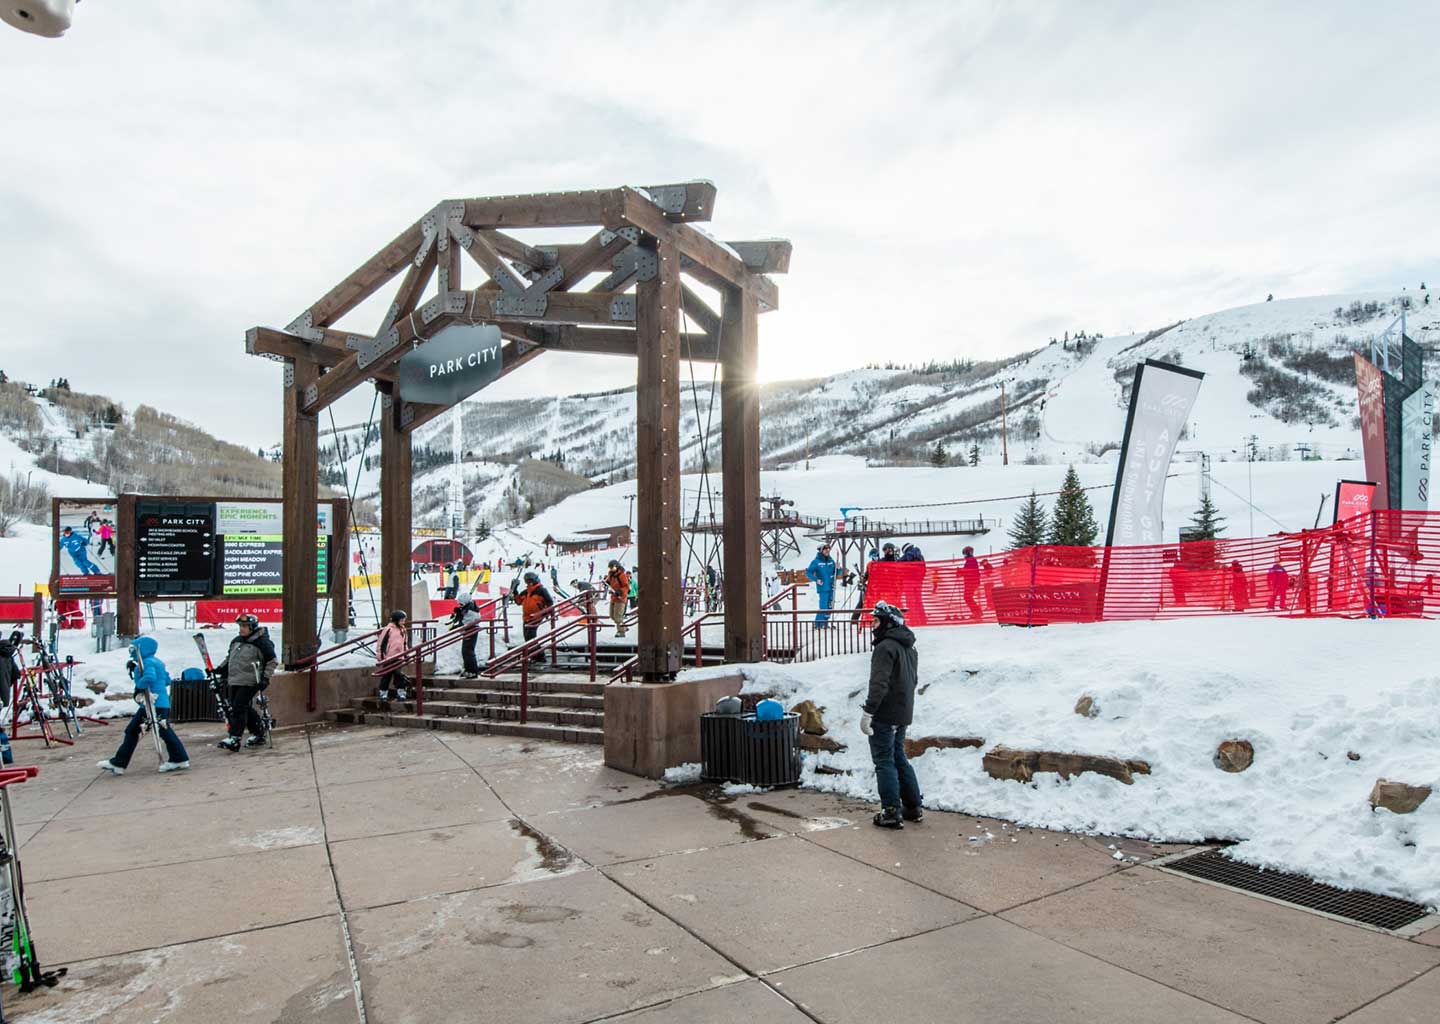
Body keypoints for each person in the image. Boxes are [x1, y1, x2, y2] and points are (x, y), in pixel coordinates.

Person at [859, 601, 921, 828]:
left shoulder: (885, 647)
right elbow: (913, 680)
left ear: (887, 623)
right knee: (898, 757)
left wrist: (868, 712)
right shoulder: (908, 647)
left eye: (876, 621)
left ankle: (891, 811)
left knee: (884, 760)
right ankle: (913, 807)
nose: (872, 625)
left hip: (884, 714)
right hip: (903, 711)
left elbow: (879, 684)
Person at [97, 636, 189, 774]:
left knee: (137, 731)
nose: (131, 651)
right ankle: (179, 758)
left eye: (133, 648)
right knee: (159, 731)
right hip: (160, 703)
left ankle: (120, 762)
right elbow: (167, 680)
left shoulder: (147, 662)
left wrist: (140, 685)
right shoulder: (157, 662)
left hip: (152, 703)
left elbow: (149, 678)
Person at [213, 614, 278, 751]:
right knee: (242, 707)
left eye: (244, 626)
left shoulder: (262, 642)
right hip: (235, 679)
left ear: (252, 627)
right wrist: (219, 669)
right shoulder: (236, 641)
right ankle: (259, 732)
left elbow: (272, 661)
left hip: (251, 681)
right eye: (240, 626)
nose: (241, 629)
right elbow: (230, 658)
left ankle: (235, 737)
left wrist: (265, 678)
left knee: (238, 707)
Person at [511, 571, 554, 662]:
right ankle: (535, 656)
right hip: (526, 617)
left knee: (530, 637)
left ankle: (540, 656)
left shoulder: (541, 590)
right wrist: (515, 590)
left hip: (536, 616)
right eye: (527, 581)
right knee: (528, 638)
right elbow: (519, 601)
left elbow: (550, 602)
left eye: (530, 580)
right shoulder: (527, 592)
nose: (529, 582)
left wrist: (544, 613)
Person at [377, 610, 410, 701]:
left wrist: (406, 654)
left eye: (404, 619)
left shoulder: (403, 629)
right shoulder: (388, 629)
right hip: (388, 656)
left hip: (399, 656)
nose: (403, 621)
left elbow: (404, 643)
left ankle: (401, 692)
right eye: (402, 620)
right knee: (386, 675)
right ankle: (383, 693)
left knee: (398, 674)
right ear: (396, 620)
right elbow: (380, 643)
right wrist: (380, 656)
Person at [449, 592, 483, 678]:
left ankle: (472, 671)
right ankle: (468, 669)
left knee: (468, 651)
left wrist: (456, 626)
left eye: (461, 604)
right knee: (466, 651)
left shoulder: (471, 611)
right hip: (468, 631)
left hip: (470, 631)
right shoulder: (469, 608)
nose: (460, 605)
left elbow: (465, 623)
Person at [807, 544, 838, 627]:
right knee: (823, 607)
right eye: (825, 549)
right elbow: (808, 572)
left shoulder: (831, 560)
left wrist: (839, 568)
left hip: (831, 587)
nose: (827, 550)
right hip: (823, 588)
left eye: (828, 549)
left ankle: (825, 623)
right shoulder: (816, 561)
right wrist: (816, 579)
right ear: (821, 550)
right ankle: (818, 624)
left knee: (830, 606)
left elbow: (836, 573)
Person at [605, 560, 631, 637]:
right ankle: (624, 627)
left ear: (617, 566)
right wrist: (606, 583)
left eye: (612, 567)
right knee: (612, 615)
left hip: (620, 598)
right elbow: (608, 582)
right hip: (613, 597)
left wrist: (619, 592)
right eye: (610, 568)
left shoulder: (622, 575)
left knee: (618, 616)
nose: (611, 569)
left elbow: (626, 586)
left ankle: (621, 632)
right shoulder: (611, 575)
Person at [960, 545, 983, 620]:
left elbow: (969, 572)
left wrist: (961, 572)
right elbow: (967, 571)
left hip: (972, 582)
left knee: (967, 597)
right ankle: (977, 612)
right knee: (968, 597)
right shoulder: (970, 560)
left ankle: (977, 612)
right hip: (971, 581)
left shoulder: (971, 560)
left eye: (965, 553)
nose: (964, 556)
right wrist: (960, 572)